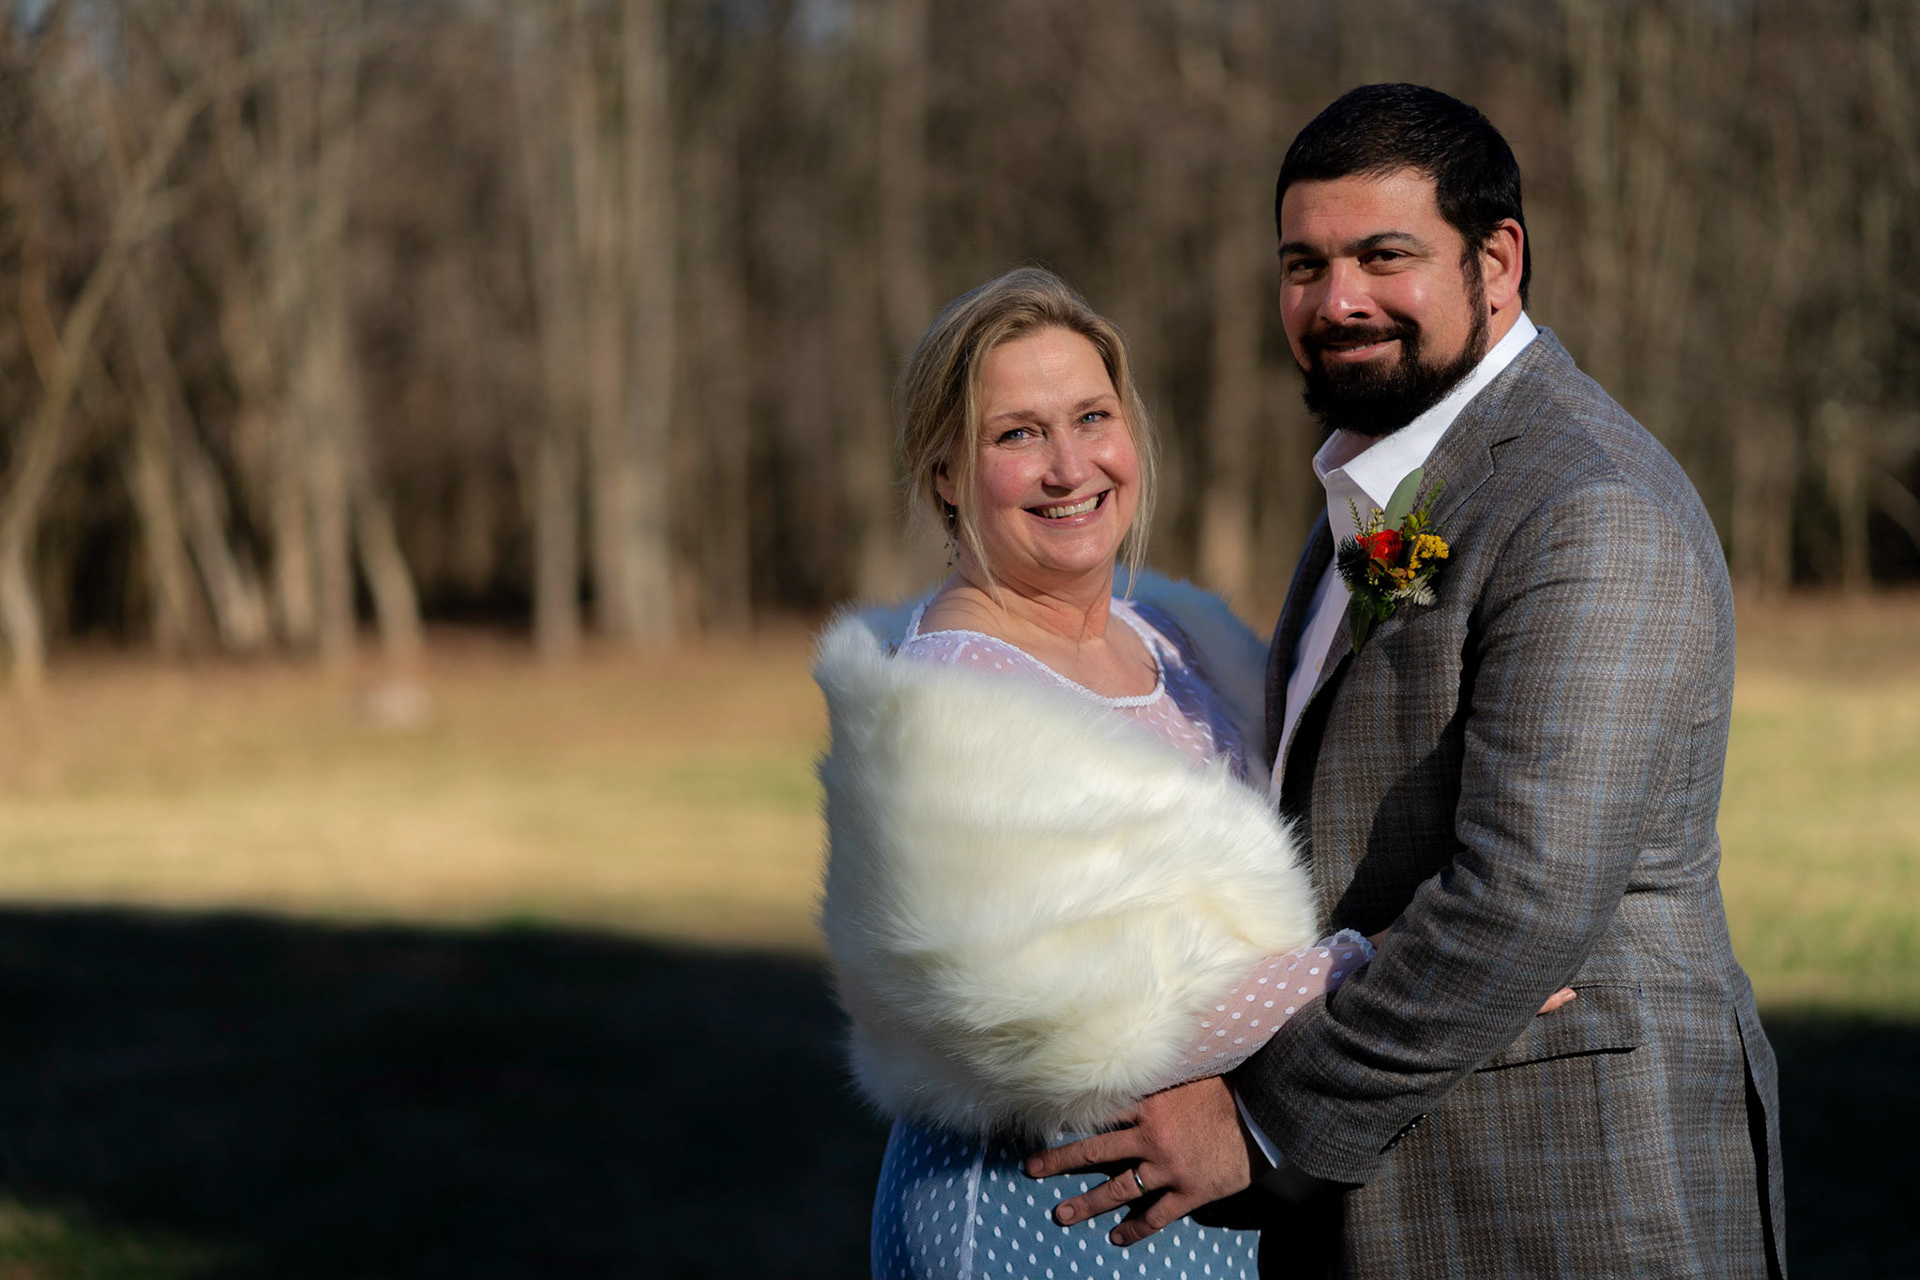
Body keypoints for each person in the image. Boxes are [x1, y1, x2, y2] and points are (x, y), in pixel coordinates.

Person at [1031, 84, 1787, 1278]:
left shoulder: (1588, 504)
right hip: (1403, 1179)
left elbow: (1523, 899)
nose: (1336, 302)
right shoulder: (1391, 488)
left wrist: (1257, 1117)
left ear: (1498, 261)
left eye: (1385, 255)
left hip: (1567, 1195)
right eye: (1303, 264)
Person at [817, 267, 1379, 1280]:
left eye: (1091, 416)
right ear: (946, 473)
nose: (1070, 465)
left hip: (1196, 1205)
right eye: (1017, 433)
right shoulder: (955, 696)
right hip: (1049, 1214)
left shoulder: (1168, 634)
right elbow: (1097, 1025)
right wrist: (1385, 968)